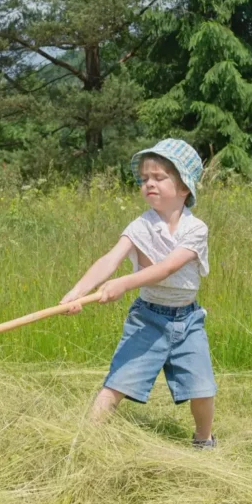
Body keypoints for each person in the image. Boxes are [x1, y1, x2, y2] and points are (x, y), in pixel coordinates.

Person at [60, 139, 216, 447]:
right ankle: (87, 439)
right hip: (148, 319)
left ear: (184, 187)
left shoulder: (196, 229)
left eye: (159, 177)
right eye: (145, 179)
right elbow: (110, 259)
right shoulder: (140, 226)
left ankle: (204, 439)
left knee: (201, 387)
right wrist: (77, 292)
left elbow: (167, 268)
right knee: (118, 381)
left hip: (188, 322)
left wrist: (124, 283)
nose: (149, 184)